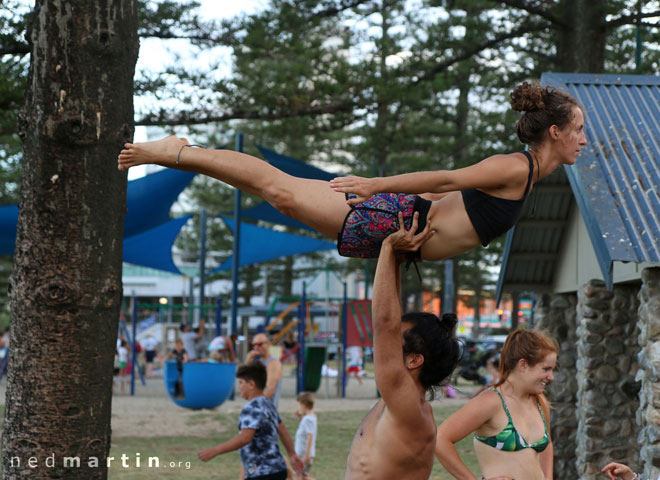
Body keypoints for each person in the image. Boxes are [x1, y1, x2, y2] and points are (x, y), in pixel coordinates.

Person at [117, 82, 586, 261]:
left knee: (278, 192)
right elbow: (445, 181)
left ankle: (183, 153)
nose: (584, 140)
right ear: (555, 131)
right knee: (278, 189)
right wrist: (373, 185)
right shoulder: (513, 167)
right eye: (579, 129)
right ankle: (176, 152)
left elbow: (452, 205)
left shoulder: (529, 174)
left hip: (399, 231)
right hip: (394, 217)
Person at [345, 212, 460, 479]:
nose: (385, 343)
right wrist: (396, 257)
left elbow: (384, 324)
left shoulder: (407, 404)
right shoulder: (401, 401)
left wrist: (386, 247)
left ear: (414, 360)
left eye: (396, 340)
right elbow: (390, 321)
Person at [435, 329, 558, 480]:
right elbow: (440, 439)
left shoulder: (540, 402)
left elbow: (547, 446)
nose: (551, 377)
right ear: (523, 365)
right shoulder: (491, 402)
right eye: (546, 369)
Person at [197, 362, 303, 479]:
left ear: (251, 384)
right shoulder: (267, 403)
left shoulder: (251, 408)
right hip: (278, 469)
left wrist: (215, 450)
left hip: (262, 472)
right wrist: (292, 454)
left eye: (241, 383)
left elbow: (245, 438)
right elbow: (282, 430)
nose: (239, 387)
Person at [246, 333, 283, 409]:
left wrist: (255, 405)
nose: (256, 347)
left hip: (267, 411)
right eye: (254, 345)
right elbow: (244, 380)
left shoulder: (273, 363)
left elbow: (270, 390)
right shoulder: (258, 362)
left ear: (268, 344)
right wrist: (248, 360)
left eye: (259, 344)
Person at [293, 392, 317, 480]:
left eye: (299, 404)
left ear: (304, 405)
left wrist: (306, 455)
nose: (299, 407)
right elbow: (305, 429)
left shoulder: (308, 419)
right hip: (304, 454)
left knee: (297, 476)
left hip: (302, 454)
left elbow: (310, 436)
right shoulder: (311, 417)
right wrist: (300, 417)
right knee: (304, 476)